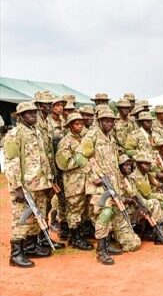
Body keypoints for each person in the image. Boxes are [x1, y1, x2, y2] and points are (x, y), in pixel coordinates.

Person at [78, 109, 141, 265]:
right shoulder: (91, 135)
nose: (110, 123)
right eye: (106, 120)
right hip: (99, 186)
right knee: (104, 213)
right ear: (99, 121)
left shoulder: (110, 136)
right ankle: (101, 251)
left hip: (113, 184)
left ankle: (111, 240)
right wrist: (94, 176)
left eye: (112, 121)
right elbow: (79, 156)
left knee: (133, 244)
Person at [5, 102, 60, 268]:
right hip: (25, 186)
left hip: (40, 184)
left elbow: (44, 160)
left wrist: (49, 181)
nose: (33, 116)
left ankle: (30, 247)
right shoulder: (14, 135)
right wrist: (17, 187)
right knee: (21, 219)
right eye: (29, 114)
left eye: (34, 113)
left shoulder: (36, 132)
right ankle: (15, 255)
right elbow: (11, 162)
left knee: (38, 217)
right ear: (20, 116)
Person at [54, 113, 93, 251]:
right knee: (74, 209)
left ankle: (78, 235)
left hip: (86, 180)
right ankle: (74, 237)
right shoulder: (65, 142)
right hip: (73, 181)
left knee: (83, 209)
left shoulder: (85, 138)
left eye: (81, 123)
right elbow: (63, 164)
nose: (80, 126)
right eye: (77, 124)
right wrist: (81, 159)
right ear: (70, 125)